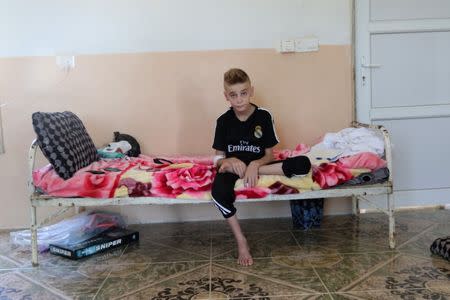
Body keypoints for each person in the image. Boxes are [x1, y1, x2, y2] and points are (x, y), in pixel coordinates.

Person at [212, 68, 311, 266]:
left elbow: (269, 154)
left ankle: (250, 169)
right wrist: (228, 162)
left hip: (261, 164)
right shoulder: (223, 121)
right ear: (226, 97)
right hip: (233, 168)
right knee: (218, 193)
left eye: (243, 93)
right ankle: (241, 240)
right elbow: (218, 160)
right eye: (233, 95)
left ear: (251, 91)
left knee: (303, 164)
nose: (239, 99)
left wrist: (255, 165)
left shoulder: (264, 117)